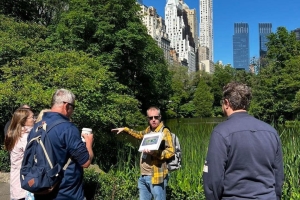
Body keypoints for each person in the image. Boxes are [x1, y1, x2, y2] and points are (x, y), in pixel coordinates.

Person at [203, 82, 284, 200]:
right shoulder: (271, 131)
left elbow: (213, 180)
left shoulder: (220, 132)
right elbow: (278, 175)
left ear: (226, 103)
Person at [28, 88, 94, 200]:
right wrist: (89, 143)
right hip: (66, 193)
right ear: (66, 106)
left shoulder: (36, 127)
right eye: (73, 107)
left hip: (41, 189)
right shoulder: (68, 128)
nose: (72, 111)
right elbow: (86, 162)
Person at [111, 106, 174, 200]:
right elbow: (139, 134)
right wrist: (125, 129)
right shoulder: (148, 130)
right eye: (150, 118)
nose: (153, 120)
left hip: (155, 176)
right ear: (147, 118)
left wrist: (155, 153)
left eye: (156, 117)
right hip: (143, 176)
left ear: (160, 117)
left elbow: (171, 151)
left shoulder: (164, 131)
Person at [4, 108, 35, 200]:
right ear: (24, 120)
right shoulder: (25, 137)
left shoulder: (14, 135)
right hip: (24, 180)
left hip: (16, 179)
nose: (34, 119)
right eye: (32, 117)